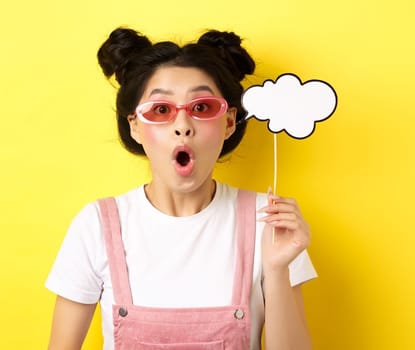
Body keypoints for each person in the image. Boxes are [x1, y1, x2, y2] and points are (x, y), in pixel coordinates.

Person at [45, 27, 317, 350]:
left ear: (229, 122)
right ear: (135, 126)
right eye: (161, 110)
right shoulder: (96, 226)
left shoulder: (270, 224)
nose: (183, 125)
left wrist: (276, 269)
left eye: (202, 108)